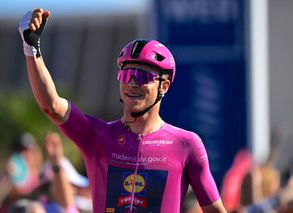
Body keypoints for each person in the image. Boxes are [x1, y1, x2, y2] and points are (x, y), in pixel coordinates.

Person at [18, 8, 227, 213]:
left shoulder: (187, 144)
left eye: (143, 76)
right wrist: (31, 48)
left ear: (164, 86)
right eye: (127, 75)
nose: (132, 83)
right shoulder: (97, 136)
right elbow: (52, 105)